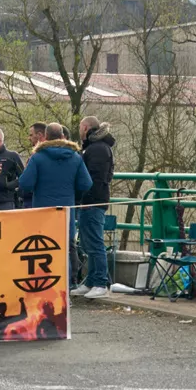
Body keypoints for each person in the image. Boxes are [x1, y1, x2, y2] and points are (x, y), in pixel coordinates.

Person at [19, 123, 92, 287]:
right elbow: (86, 183)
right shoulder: (75, 157)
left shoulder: (38, 157)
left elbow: (25, 183)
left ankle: (46, 287)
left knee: (44, 249)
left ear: (45, 136)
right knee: (66, 247)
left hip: (42, 213)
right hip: (66, 212)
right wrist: (73, 192)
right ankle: (67, 286)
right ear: (62, 136)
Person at [76, 117, 114, 299]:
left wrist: (88, 198)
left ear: (85, 127)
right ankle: (91, 281)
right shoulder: (92, 147)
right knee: (87, 242)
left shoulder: (97, 149)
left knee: (95, 242)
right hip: (88, 201)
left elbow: (96, 178)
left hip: (94, 201)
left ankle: (100, 282)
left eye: (80, 127)